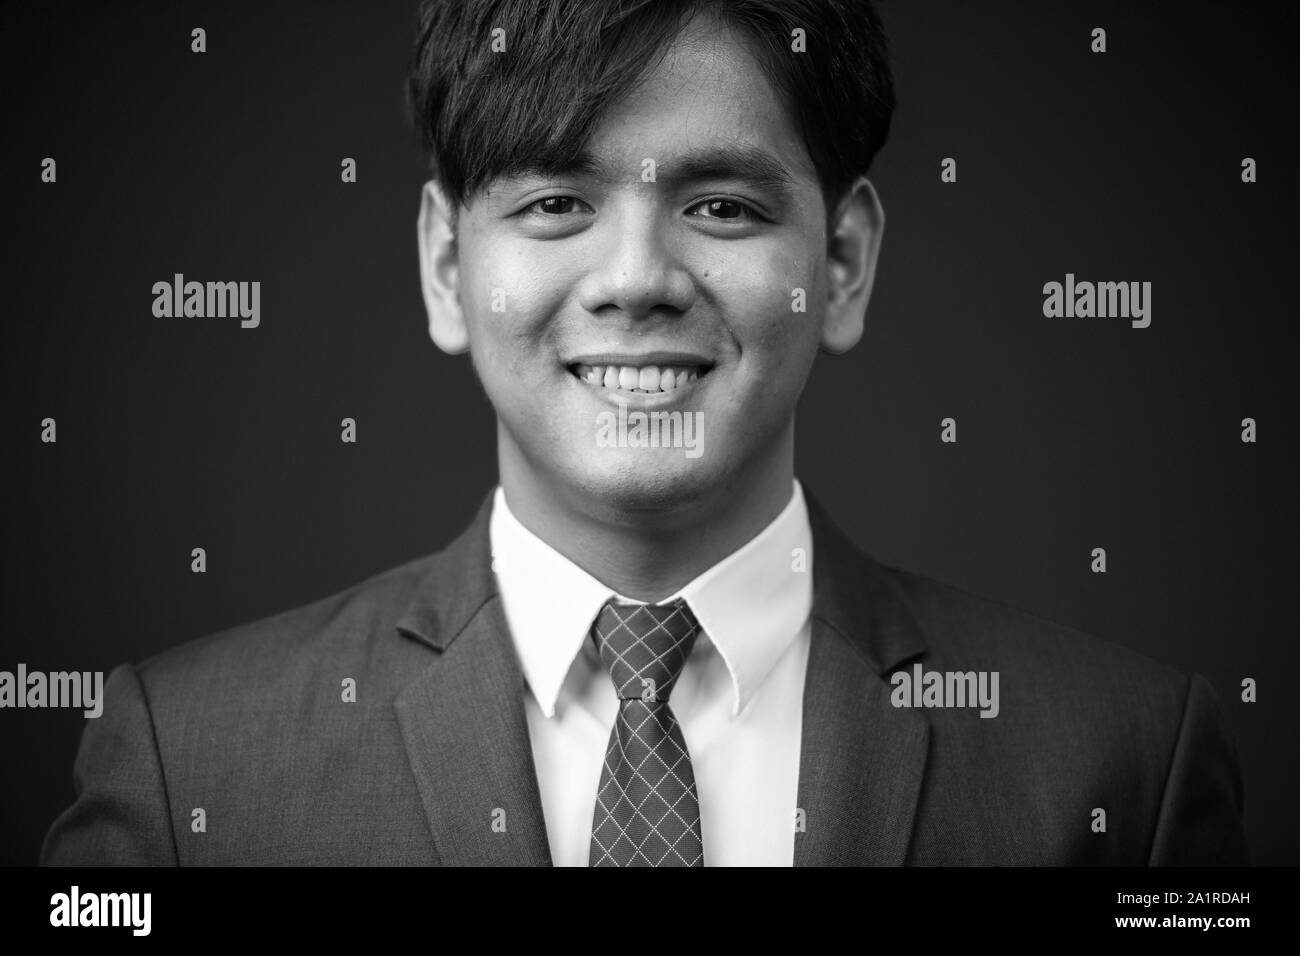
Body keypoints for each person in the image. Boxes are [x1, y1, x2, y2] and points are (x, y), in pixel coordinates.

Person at [41, 0, 1248, 866]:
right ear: (447, 265)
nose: (635, 278)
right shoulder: (185, 764)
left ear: (839, 264)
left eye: (719, 206)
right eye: (557, 202)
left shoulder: (1119, 765)